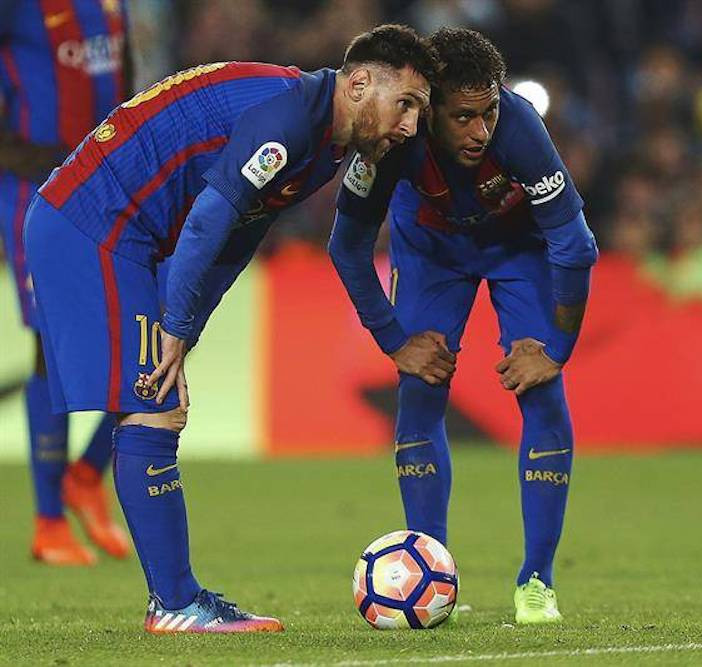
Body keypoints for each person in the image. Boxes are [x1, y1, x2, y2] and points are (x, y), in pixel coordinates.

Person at [25, 24, 440, 634]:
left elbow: (237, 236)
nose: (409, 126)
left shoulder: (325, 141)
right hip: (96, 227)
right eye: (404, 103)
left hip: (119, 234)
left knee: (157, 402)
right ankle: (172, 604)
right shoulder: (291, 120)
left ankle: (178, 597)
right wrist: (174, 321)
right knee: (153, 408)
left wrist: (184, 330)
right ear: (358, 83)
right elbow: (204, 224)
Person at [329, 27, 598, 625]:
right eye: (464, 117)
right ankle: (434, 571)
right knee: (420, 389)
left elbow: (576, 248)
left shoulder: (522, 128)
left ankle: (537, 581)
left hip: (517, 248)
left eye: (489, 112)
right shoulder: (392, 139)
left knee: (542, 388)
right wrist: (395, 343)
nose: (481, 131)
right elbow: (346, 247)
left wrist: (556, 348)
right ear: (428, 112)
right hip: (430, 251)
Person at [1, 0, 133, 565]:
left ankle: (86, 474)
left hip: (105, 187)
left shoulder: (113, 6)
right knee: (49, 352)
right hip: (35, 187)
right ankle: (48, 521)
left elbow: (126, 84)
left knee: (154, 336)